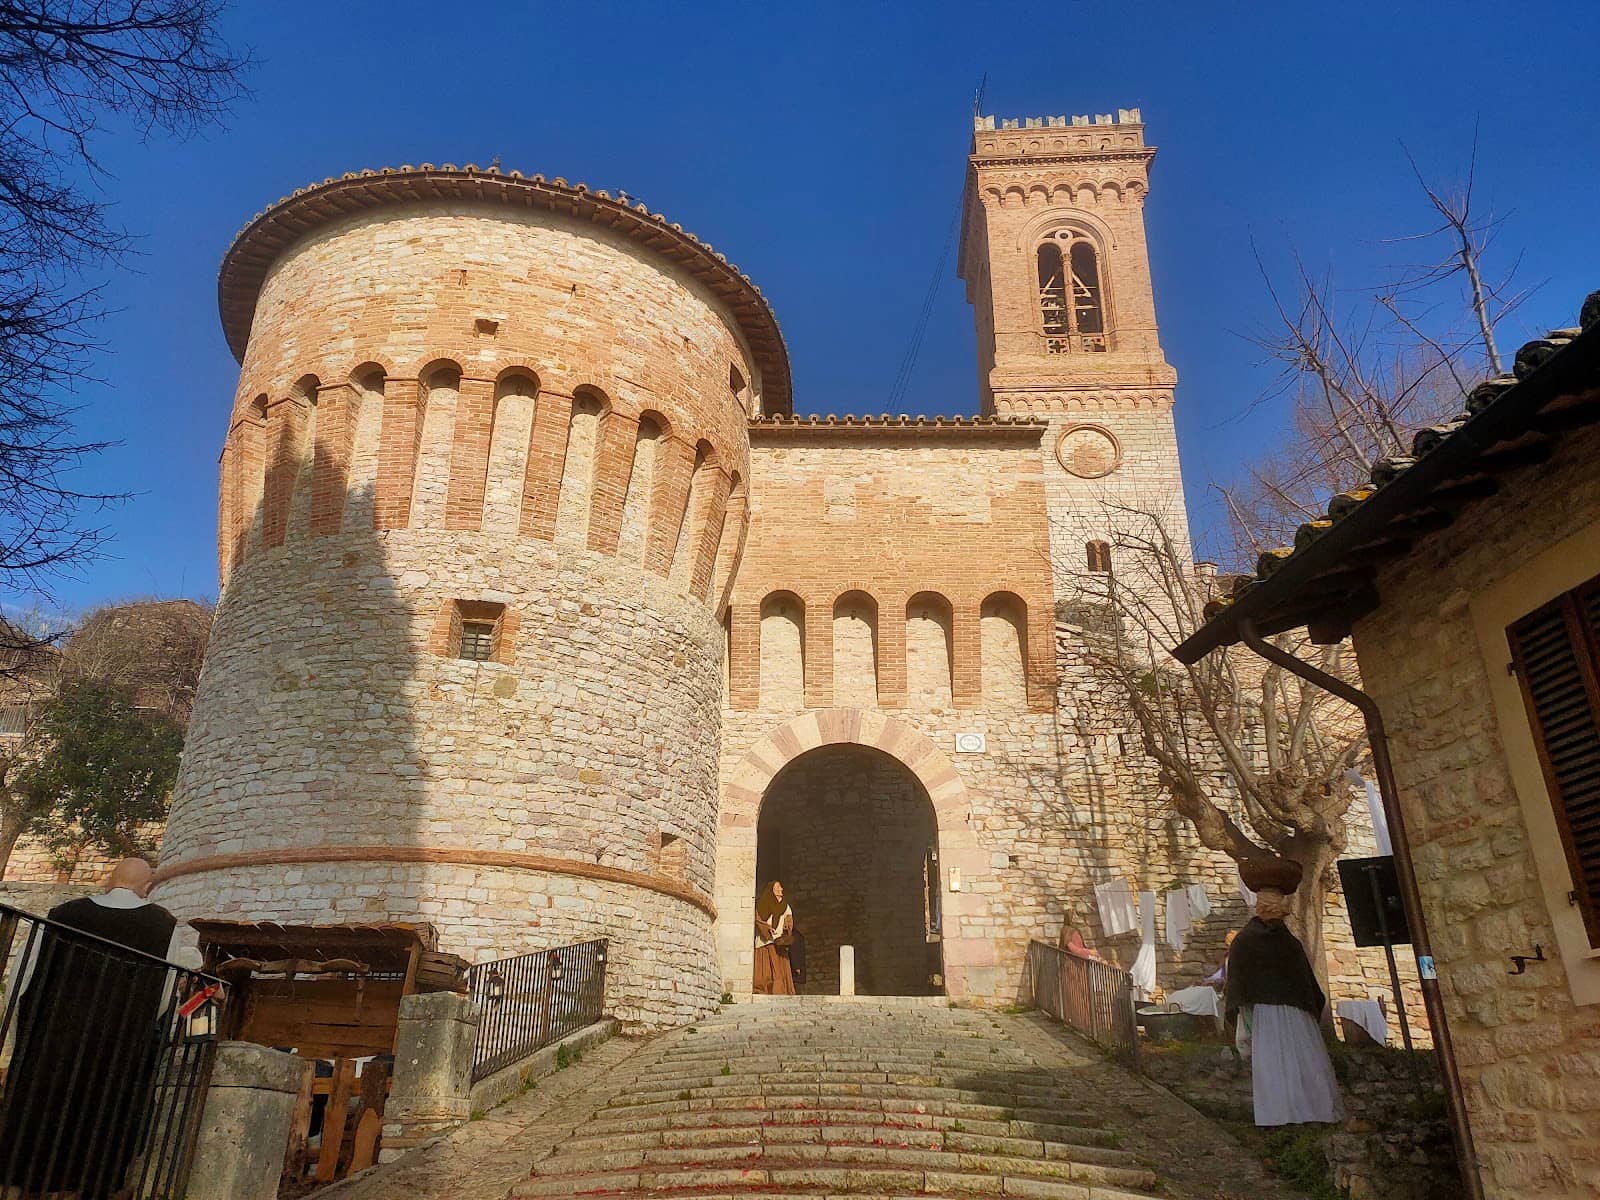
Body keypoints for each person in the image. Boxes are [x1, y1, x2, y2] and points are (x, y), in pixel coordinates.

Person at [0, 858, 184, 1198]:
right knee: (97, 1124)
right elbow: (163, 996)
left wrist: (22, 1035)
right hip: (116, 1049)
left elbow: (21, 981)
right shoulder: (164, 927)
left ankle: (20, 1187)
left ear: (109, 879)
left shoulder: (62, 914)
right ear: (147, 887)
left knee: (37, 1123)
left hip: (51, 1045)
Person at [1224, 857, 1345, 1127]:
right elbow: (1308, 987)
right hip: (1285, 1016)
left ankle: (1287, 1116)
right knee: (1297, 1064)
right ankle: (1301, 1115)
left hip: (1274, 1015)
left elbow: (1240, 984)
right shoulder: (1282, 943)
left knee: (1280, 1065)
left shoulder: (1255, 942)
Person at [752, 880, 795, 996]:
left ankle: (779, 990)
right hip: (765, 940)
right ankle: (764, 989)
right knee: (765, 968)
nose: (781, 889)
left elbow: (789, 919)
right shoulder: (762, 904)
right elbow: (758, 919)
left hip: (778, 940)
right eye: (778, 887)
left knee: (779, 967)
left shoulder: (785, 906)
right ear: (772, 889)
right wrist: (767, 929)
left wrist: (787, 926)